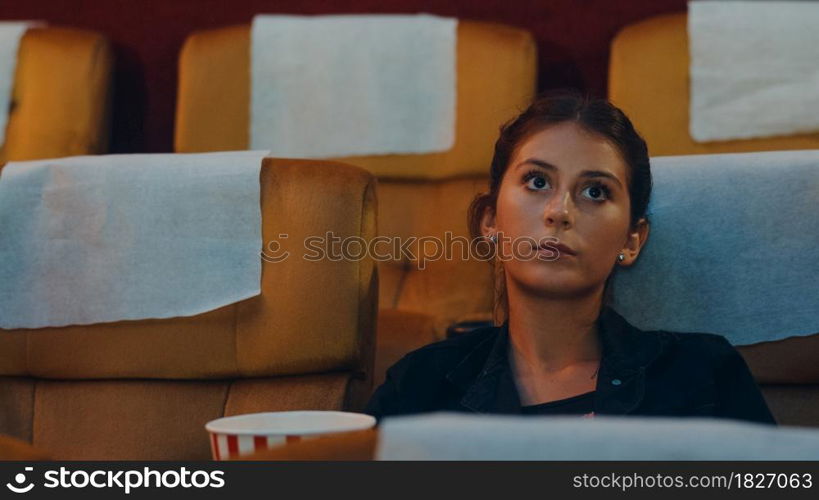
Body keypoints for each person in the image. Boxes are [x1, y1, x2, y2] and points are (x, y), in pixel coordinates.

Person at [365, 91, 776, 425]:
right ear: (490, 220)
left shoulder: (702, 375)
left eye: (595, 191)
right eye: (537, 181)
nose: (559, 211)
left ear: (632, 240)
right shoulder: (421, 387)